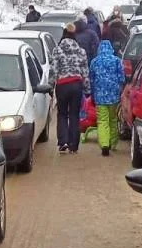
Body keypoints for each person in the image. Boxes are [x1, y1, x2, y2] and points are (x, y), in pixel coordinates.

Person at [54, 25, 90, 154]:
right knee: (74, 115)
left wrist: (50, 85)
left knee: (62, 114)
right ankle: (73, 145)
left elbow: (54, 70)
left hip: (62, 85)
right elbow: (85, 72)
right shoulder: (81, 51)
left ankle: (63, 142)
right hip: (76, 85)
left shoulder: (57, 50)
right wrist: (87, 90)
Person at [89, 40, 127, 156]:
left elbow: (91, 79)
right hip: (114, 96)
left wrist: (92, 93)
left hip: (100, 97)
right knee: (113, 120)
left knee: (102, 121)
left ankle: (104, 144)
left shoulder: (94, 61)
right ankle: (113, 142)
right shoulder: (117, 61)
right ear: (110, 48)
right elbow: (122, 79)